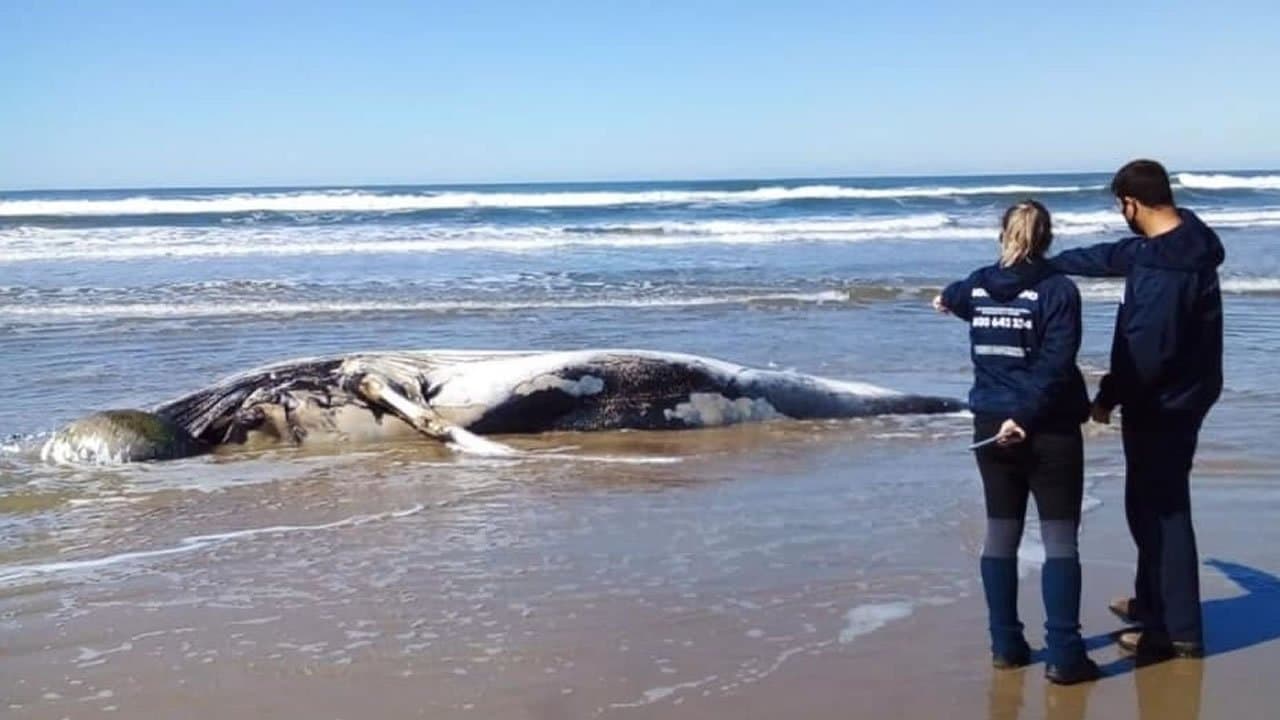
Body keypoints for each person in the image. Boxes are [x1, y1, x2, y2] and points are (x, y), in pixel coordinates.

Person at [1050, 159, 1224, 661]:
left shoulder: (1164, 273)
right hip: (1187, 391)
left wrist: (1106, 397)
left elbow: (1144, 352)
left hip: (1164, 402)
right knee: (1149, 501)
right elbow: (1115, 255)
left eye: (1120, 206)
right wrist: (1050, 264)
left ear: (1131, 203)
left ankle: (1176, 630)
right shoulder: (1180, 239)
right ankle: (1154, 602)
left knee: (1161, 509)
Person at [934, 200, 1100, 684]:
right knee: (1059, 541)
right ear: (1048, 238)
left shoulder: (980, 285)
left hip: (991, 424)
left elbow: (954, 296)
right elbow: (1054, 364)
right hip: (1046, 428)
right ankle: (1065, 654)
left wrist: (946, 298)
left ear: (1002, 234)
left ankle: (1006, 644)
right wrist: (1025, 416)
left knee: (1001, 535)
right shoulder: (1057, 290)